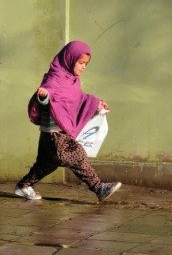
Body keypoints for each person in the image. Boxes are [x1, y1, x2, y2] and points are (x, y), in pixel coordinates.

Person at [14, 41, 122, 202]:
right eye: (81, 63)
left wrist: (97, 104)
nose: (83, 67)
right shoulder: (55, 77)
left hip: (53, 132)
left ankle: (23, 186)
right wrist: (43, 96)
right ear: (70, 59)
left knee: (46, 163)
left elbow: (78, 98)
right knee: (76, 156)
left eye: (86, 64)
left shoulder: (72, 80)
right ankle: (98, 188)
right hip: (54, 131)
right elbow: (47, 92)